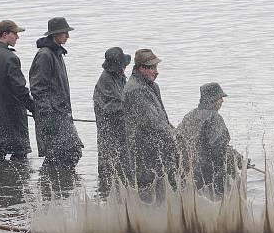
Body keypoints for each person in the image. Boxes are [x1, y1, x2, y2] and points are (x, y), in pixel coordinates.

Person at [28, 17, 84, 167]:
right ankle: (51, 184)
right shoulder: (45, 55)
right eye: (65, 32)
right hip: (53, 115)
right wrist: (47, 116)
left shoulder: (56, 53)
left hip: (61, 113)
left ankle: (54, 186)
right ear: (56, 34)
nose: (68, 36)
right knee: (68, 151)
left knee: (65, 153)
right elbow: (38, 87)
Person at [123, 48, 178, 198]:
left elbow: (162, 119)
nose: (156, 71)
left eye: (156, 67)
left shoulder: (152, 86)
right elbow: (152, 122)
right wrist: (174, 137)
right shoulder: (135, 90)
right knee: (150, 196)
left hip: (158, 151)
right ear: (141, 68)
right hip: (144, 154)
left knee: (164, 192)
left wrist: (176, 134)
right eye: (152, 68)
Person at [0, 20, 35, 160]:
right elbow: (20, 89)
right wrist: (33, 107)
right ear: (5, 34)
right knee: (19, 157)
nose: (17, 37)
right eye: (15, 33)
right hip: (11, 115)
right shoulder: (11, 58)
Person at [175, 83, 247, 195]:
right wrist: (239, 160)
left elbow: (178, 139)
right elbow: (220, 148)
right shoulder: (214, 118)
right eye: (220, 97)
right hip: (209, 174)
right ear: (212, 99)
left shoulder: (190, 115)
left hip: (190, 174)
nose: (222, 101)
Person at [93, 47, 131, 193]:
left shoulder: (118, 76)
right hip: (110, 136)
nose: (125, 68)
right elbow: (114, 108)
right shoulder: (106, 81)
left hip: (120, 134)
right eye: (122, 66)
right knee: (110, 172)